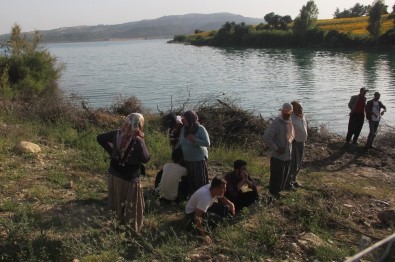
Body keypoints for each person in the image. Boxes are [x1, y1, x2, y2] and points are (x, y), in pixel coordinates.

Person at [97, 113, 150, 232]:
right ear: (140, 124)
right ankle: (131, 227)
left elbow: (100, 138)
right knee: (131, 204)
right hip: (129, 178)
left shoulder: (117, 133)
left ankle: (118, 222)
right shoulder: (138, 140)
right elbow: (146, 159)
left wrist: (112, 152)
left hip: (114, 173)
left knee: (117, 199)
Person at [185, 175, 235, 244]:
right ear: (216, 189)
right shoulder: (205, 198)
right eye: (223, 189)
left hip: (205, 206)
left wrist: (231, 204)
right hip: (192, 213)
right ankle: (203, 233)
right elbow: (196, 217)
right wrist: (204, 235)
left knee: (225, 209)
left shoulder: (213, 187)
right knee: (217, 220)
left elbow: (221, 197)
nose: (225, 190)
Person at [262, 103, 295, 198]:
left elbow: (290, 137)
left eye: (288, 113)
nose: (286, 115)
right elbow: (266, 137)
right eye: (284, 112)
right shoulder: (276, 122)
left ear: (291, 113)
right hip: (277, 156)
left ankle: (279, 193)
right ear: (282, 112)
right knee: (276, 177)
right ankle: (272, 195)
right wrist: (276, 148)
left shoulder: (289, 121)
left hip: (287, 155)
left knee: (284, 177)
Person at [177, 110, 210, 196]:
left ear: (190, 119)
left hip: (198, 160)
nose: (183, 120)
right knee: (190, 180)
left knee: (200, 181)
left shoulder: (200, 128)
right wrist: (176, 152)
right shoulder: (184, 129)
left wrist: (194, 140)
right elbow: (180, 142)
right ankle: (192, 197)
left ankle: (203, 197)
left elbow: (207, 143)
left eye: (185, 118)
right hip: (187, 160)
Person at [285, 101, 308, 189]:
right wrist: (291, 140)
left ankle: (294, 180)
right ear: (293, 109)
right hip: (295, 143)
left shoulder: (302, 116)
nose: (301, 109)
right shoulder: (290, 118)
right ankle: (288, 183)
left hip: (302, 142)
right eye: (299, 108)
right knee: (293, 164)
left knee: (299, 163)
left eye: (301, 107)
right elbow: (286, 131)